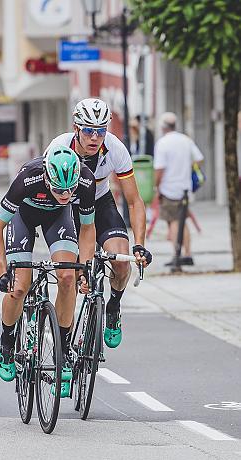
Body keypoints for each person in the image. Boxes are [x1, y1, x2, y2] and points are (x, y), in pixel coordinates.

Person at [0, 145, 96, 397]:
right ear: (47, 177)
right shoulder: (27, 178)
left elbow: (88, 228)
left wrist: (86, 267)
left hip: (58, 219)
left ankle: (63, 347)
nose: (65, 194)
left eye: (70, 190)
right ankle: (6, 341)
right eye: (59, 189)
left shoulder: (85, 180)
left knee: (68, 276)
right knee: (19, 287)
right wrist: (3, 272)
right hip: (23, 218)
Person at [46, 98, 152, 350]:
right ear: (76, 128)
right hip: (66, 206)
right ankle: (64, 345)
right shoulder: (58, 147)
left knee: (120, 259)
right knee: (69, 276)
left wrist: (139, 244)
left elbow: (135, 202)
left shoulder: (115, 149)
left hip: (99, 202)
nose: (95, 137)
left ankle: (113, 306)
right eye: (89, 131)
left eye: (101, 131)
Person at [153, 112, 204, 266]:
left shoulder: (162, 143)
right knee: (183, 220)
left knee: (173, 221)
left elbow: (159, 169)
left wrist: (157, 186)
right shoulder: (185, 140)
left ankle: (177, 254)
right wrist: (187, 169)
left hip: (169, 188)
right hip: (185, 188)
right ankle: (188, 253)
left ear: (163, 127)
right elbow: (200, 159)